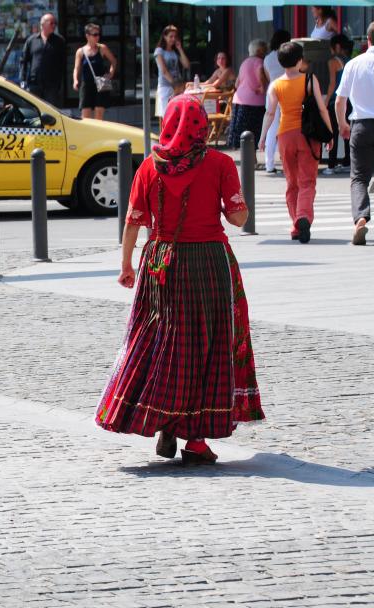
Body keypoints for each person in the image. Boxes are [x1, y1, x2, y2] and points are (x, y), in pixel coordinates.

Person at [96, 94, 264, 465]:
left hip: (160, 262)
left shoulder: (149, 167)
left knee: (161, 343)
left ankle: (165, 425)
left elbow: (133, 221)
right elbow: (237, 219)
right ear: (201, 126)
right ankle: (196, 440)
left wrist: (126, 265)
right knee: (205, 348)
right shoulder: (219, 163)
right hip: (208, 263)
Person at [258, 42, 333, 243]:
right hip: (307, 135)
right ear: (300, 60)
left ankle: (296, 225)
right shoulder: (309, 79)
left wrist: (263, 137)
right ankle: (303, 217)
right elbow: (321, 108)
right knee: (307, 181)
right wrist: (330, 133)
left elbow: (270, 112)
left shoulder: (275, 85)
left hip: (284, 135)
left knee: (292, 183)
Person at [333, 20, 374, 245]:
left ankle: (360, 218)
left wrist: (342, 123)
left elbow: (340, 100)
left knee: (359, 177)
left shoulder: (353, 64)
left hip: (360, 124)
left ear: (367, 39)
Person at [227, 40, 268, 149]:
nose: (266, 52)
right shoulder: (259, 62)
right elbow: (261, 74)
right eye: (264, 50)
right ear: (259, 50)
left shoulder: (244, 62)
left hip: (239, 100)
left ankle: (247, 158)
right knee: (254, 131)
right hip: (254, 101)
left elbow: (237, 83)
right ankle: (252, 159)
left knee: (242, 133)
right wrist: (263, 87)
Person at [20, 13, 66, 107]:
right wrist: (23, 79)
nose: (54, 25)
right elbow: (23, 61)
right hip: (34, 83)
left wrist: (58, 81)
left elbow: (62, 63)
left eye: (55, 23)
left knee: (51, 111)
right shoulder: (32, 40)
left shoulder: (59, 41)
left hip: (51, 85)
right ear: (43, 24)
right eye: (51, 23)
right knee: (34, 111)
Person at [73, 23, 117, 120]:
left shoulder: (102, 48)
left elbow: (113, 61)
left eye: (98, 34)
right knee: (85, 115)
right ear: (87, 36)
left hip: (100, 83)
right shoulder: (80, 51)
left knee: (99, 114)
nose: (98, 37)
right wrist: (75, 80)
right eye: (95, 34)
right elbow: (76, 68)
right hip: (86, 84)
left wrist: (110, 74)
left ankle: (99, 134)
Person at [262, 30, 291, 175]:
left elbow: (268, 76)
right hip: (287, 89)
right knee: (287, 125)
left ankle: (269, 163)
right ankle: (286, 160)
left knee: (271, 127)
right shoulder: (287, 55)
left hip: (272, 90)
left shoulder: (267, 58)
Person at [324, 33, 353, 175]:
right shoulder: (350, 60)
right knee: (347, 132)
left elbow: (332, 84)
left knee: (333, 132)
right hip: (349, 100)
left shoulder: (333, 61)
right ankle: (347, 162)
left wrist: (325, 101)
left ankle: (331, 165)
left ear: (336, 46)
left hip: (336, 100)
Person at [153, 25, 189, 123]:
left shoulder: (175, 51)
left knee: (178, 115)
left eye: (175, 36)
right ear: (165, 36)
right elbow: (164, 70)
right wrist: (174, 84)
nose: (173, 39)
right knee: (167, 115)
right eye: (171, 36)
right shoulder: (159, 51)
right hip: (166, 87)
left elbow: (186, 65)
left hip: (178, 87)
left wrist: (180, 49)